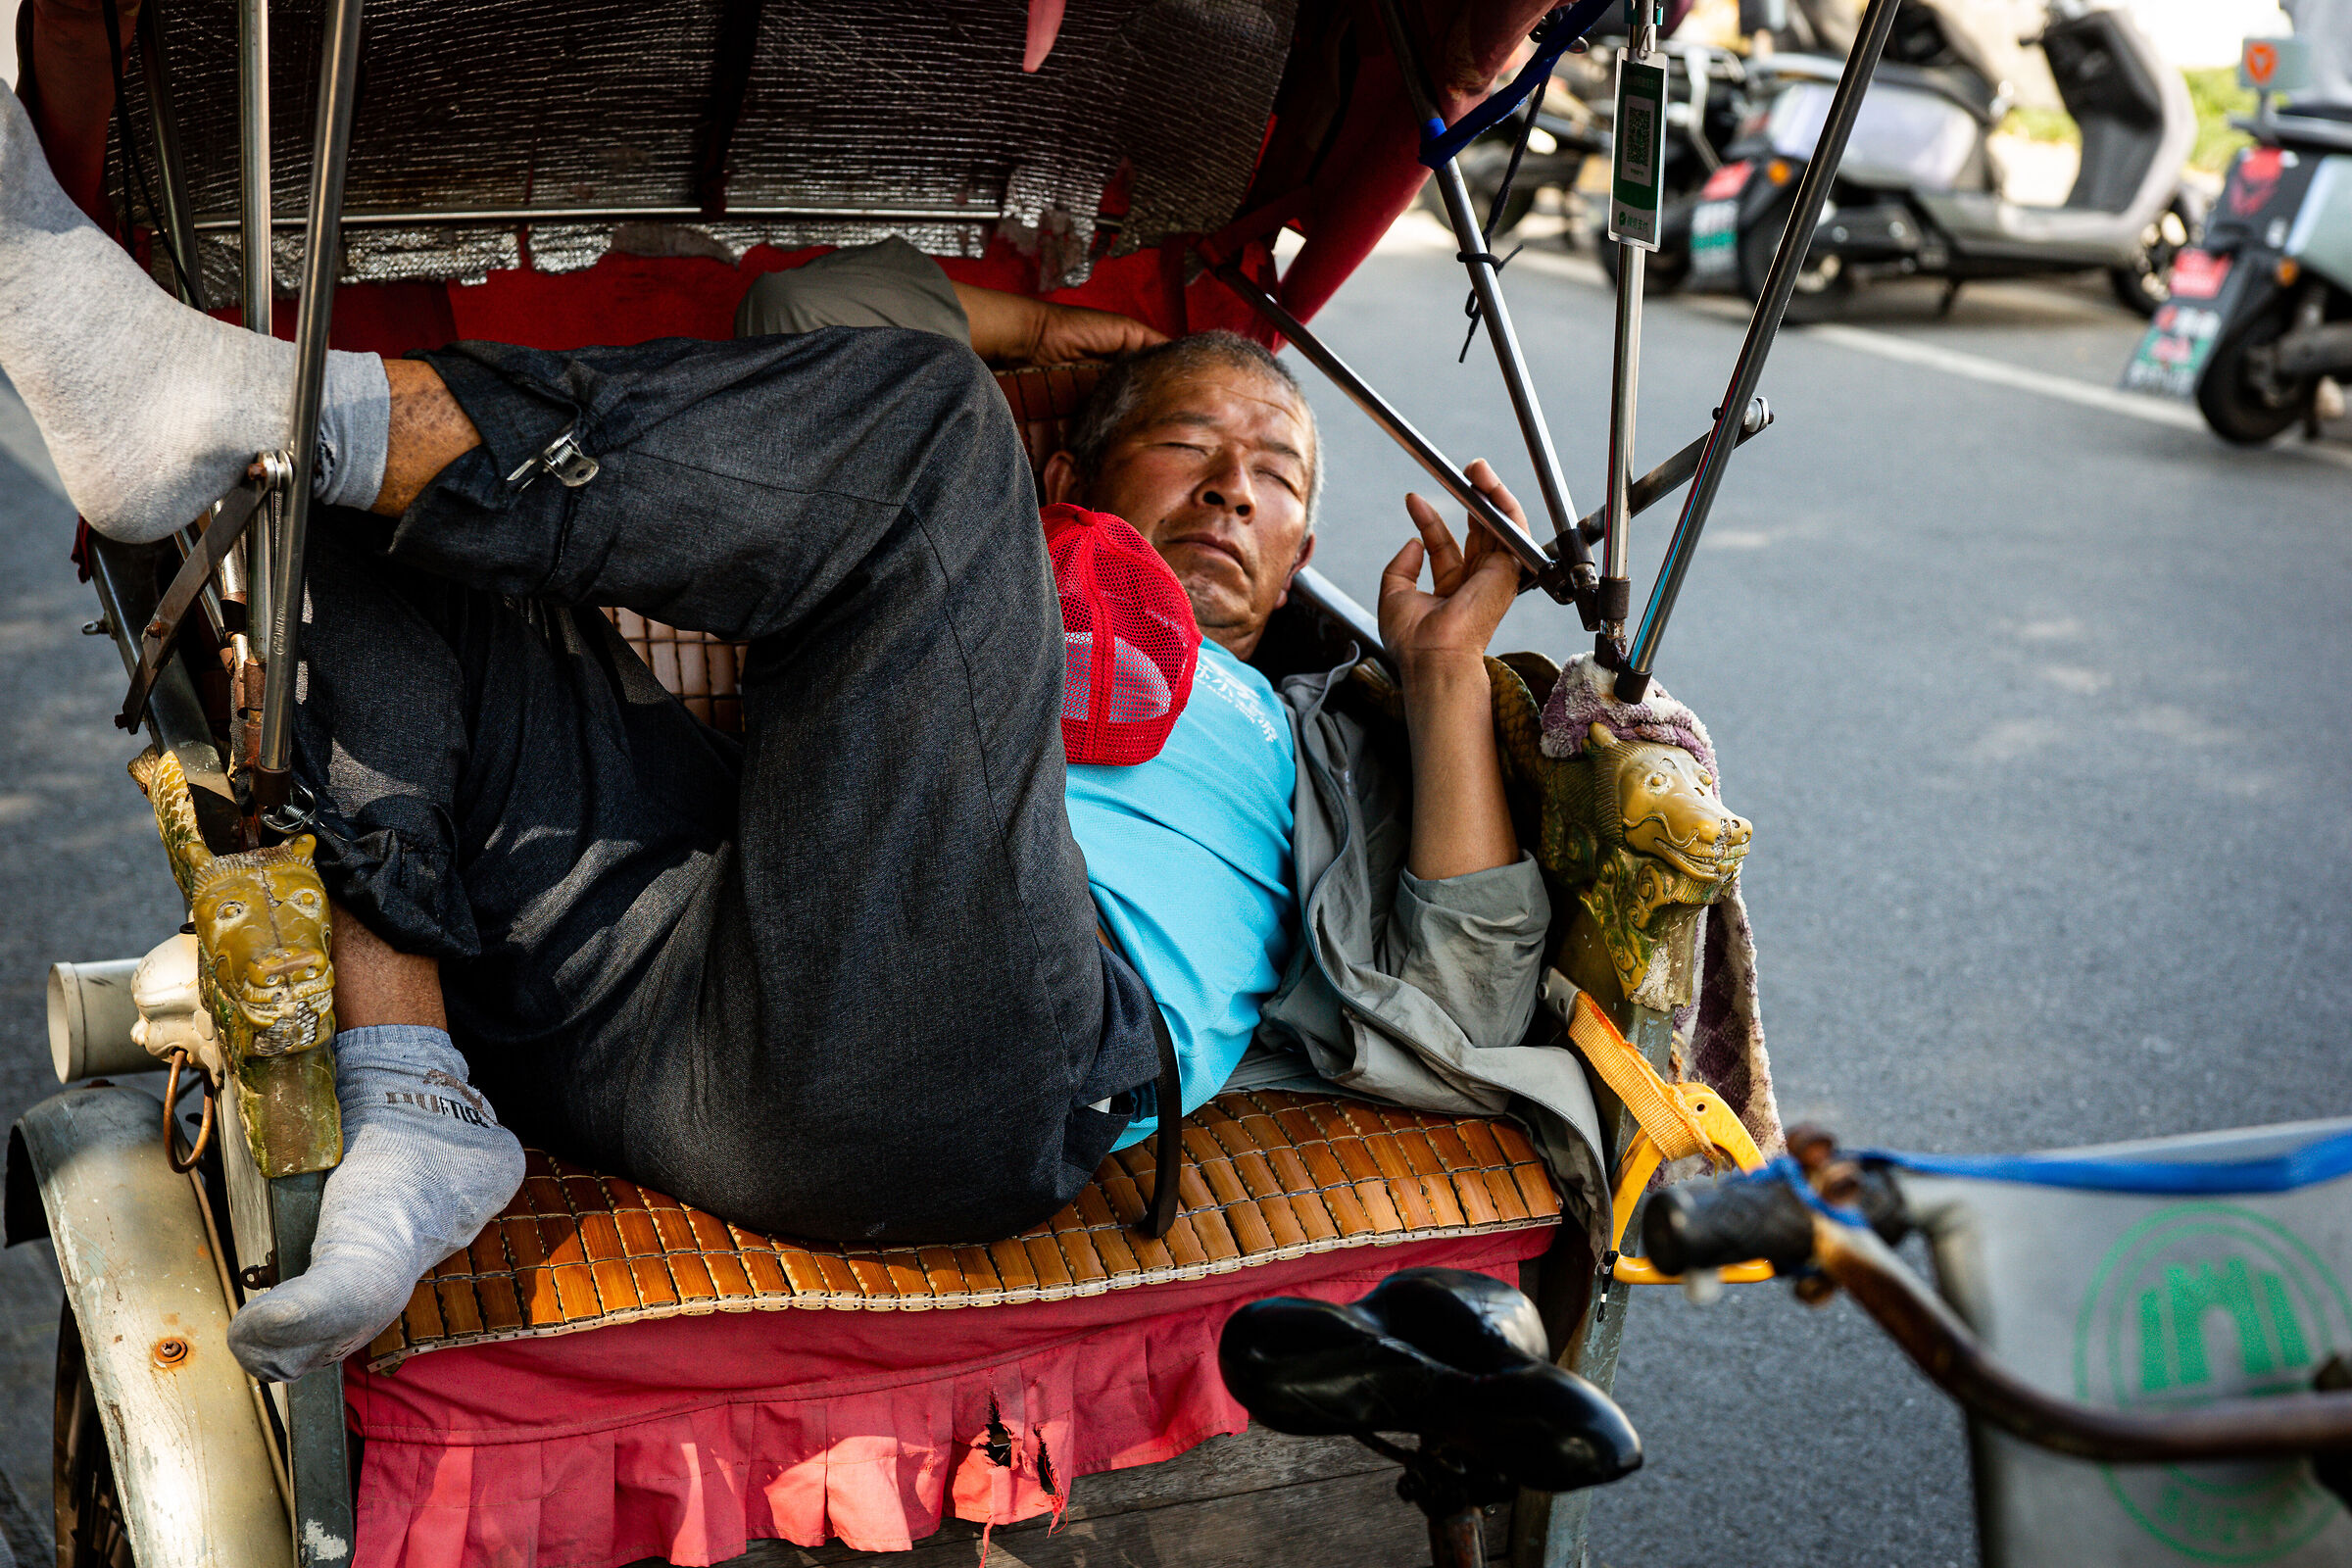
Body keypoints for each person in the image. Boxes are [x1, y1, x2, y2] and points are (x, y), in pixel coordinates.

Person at [0, 87, 1550, 1385]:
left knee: (928, 429)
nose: (1231, 490)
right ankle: (411, 1091)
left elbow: (1469, 997)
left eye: (1278, 477)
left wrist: (1440, 668)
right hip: (704, 999)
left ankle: (257, 395)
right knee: (342, 526)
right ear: (1080, 455)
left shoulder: (1308, 732)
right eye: (1188, 444)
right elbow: (813, 314)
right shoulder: (1006, 526)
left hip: (1000, 1068)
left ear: (1300, 560)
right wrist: (1091, 341)